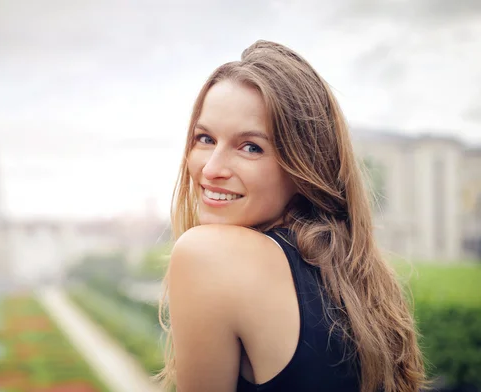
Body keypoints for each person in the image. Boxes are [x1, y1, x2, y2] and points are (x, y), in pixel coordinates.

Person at [155, 40, 427, 392]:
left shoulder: (207, 254)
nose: (212, 168)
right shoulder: (356, 280)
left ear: (304, 167)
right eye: (205, 138)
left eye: (250, 146)